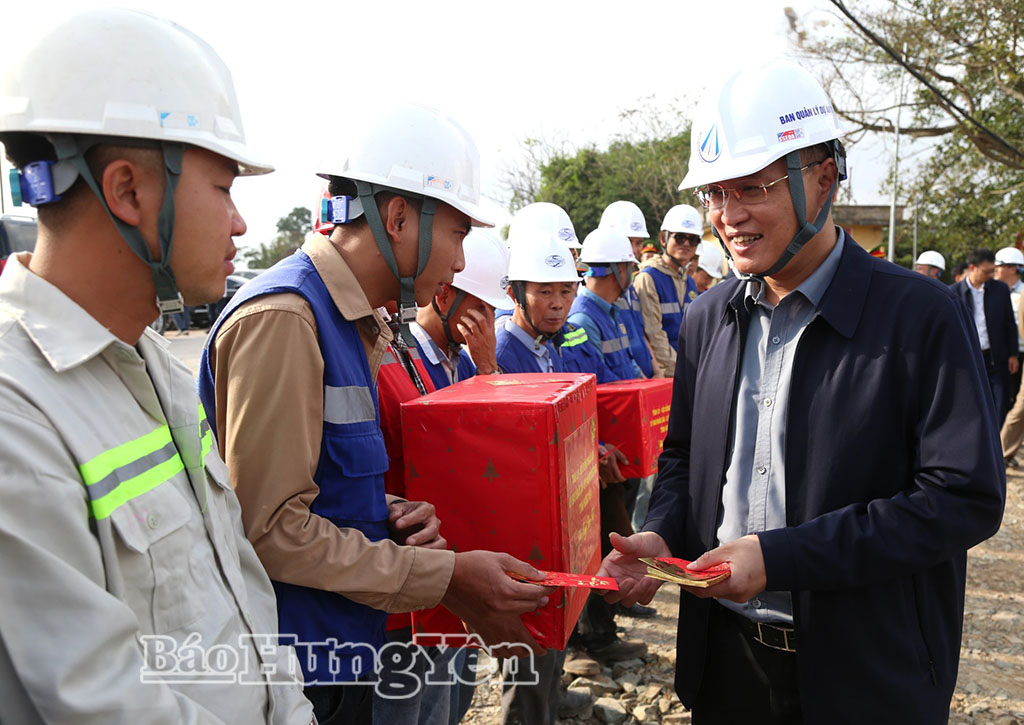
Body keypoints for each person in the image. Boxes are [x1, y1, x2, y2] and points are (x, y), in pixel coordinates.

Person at [598, 59, 1004, 724]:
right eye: (714, 194)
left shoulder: (920, 317)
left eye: (752, 188)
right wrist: (663, 535)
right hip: (726, 663)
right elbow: (681, 465)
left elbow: (962, 498)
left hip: (866, 673)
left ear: (822, 180)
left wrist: (781, 555)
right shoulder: (709, 318)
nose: (728, 216)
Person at [0, 10, 313, 723]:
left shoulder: (156, 367)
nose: (239, 224)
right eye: (225, 186)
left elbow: (244, 592)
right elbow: (101, 699)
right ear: (129, 191)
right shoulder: (15, 411)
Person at [198, 104, 551, 724]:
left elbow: (313, 490)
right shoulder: (287, 318)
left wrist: (382, 510)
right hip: (305, 675)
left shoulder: (354, 321)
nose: (462, 264)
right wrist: (443, 576)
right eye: (458, 235)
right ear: (396, 218)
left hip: (347, 656)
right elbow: (270, 529)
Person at [634, 204, 702, 376]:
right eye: (679, 238)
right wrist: (682, 370)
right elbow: (653, 333)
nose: (686, 244)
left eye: (692, 239)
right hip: (666, 374)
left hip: (686, 371)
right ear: (663, 239)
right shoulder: (649, 278)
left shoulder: (689, 282)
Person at [952, 248, 1019, 422]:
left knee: (999, 402)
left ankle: (996, 444)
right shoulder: (954, 293)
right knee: (971, 403)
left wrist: (1013, 354)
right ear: (973, 268)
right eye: (987, 271)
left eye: (993, 271)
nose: (991, 275)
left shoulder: (1000, 290)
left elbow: (1009, 323)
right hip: (968, 360)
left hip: (995, 358)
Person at [599, 200, 656, 377]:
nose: (635, 249)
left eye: (638, 242)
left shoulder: (630, 287)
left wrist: (656, 371)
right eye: (629, 241)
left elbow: (641, 333)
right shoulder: (602, 290)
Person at [994, 246, 1024, 403]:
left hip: (1021, 352)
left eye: (1000, 266)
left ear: (1013, 269)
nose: (995, 270)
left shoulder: (1023, 293)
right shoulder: (992, 293)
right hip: (1002, 355)